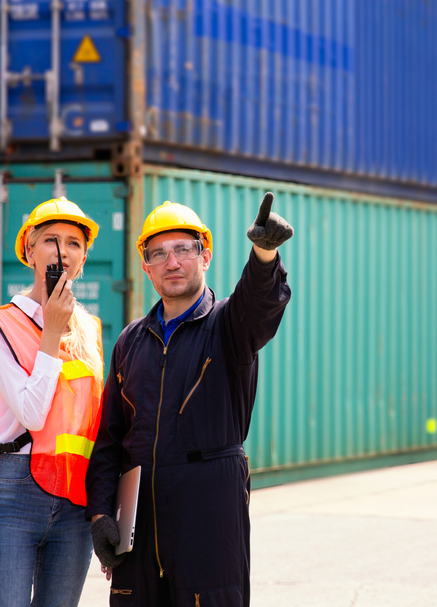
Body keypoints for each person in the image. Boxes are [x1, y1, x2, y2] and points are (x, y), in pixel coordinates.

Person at [85, 192, 293, 606]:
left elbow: (261, 305)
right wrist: (100, 513)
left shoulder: (230, 325)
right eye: (158, 253)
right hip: (138, 526)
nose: (172, 262)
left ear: (206, 255)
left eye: (183, 249)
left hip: (209, 514)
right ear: (146, 267)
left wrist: (263, 256)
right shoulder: (130, 340)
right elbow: (110, 439)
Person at [0, 197, 106, 607]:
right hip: (15, 492)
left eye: (74, 242)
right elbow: (33, 414)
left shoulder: (91, 328)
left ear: (83, 258)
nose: (62, 251)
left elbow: (94, 423)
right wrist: (52, 334)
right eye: (51, 240)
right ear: (29, 252)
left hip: (76, 498)